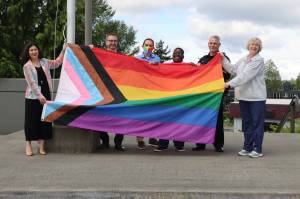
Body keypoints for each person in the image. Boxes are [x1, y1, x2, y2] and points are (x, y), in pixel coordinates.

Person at [222, 37, 266, 158]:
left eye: (256, 45)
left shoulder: (259, 60)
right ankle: (247, 147)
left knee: (257, 123)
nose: (253, 46)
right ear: (248, 46)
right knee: (247, 123)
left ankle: (257, 148)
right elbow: (232, 69)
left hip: (256, 98)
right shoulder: (244, 59)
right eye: (252, 44)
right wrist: (222, 59)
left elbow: (245, 76)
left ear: (259, 48)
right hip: (243, 97)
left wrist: (228, 84)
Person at [21, 41, 66, 156]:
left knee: (45, 121)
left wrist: (63, 50)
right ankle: (28, 145)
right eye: (31, 50)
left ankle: (41, 146)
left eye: (35, 49)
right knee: (31, 121)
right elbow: (32, 84)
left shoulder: (44, 61)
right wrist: (40, 97)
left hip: (46, 95)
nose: (34, 52)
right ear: (28, 52)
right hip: (33, 97)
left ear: (38, 50)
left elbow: (57, 63)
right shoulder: (27, 66)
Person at [192, 35, 230, 152]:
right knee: (202, 117)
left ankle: (218, 145)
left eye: (215, 43)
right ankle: (200, 144)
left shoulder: (223, 58)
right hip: (204, 94)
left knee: (217, 119)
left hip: (217, 94)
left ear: (219, 45)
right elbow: (197, 74)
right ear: (208, 44)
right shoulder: (203, 59)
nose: (213, 45)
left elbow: (229, 73)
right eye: (211, 43)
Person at [93, 33, 125, 151]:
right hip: (103, 90)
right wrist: (89, 49)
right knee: (100, 116)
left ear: (117, 43)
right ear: (106, 42)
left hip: (119, 91)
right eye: (110, 41)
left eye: (115, 41)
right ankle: (105, 141)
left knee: (121, 118)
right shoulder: (99, 55)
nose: (112, 43)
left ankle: (118, 143)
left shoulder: (123, 58)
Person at [154, 47, 186, 152]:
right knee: (165, 122)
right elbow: (158, 71)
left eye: (179, 53)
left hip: (181, 100)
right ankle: (163, 145)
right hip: (168, 99)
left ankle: (179, 145)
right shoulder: (166, 66)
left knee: (179, 122)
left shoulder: (187, 67)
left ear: (183, 56)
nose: (176, 55)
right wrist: (154, 66)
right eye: (175, 53)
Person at [135, 38, 161, 149]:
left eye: (150, 46)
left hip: (152, 91)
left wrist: (157, 65)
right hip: (140, 90)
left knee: (153, 115)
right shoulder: (136, 59)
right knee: (140, 116)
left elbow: (161, 73)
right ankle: (140, 140)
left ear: (153, 48)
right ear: (142, 46)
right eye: (146, 45)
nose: (148, 47)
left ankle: (152, 137)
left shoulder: (157, 58)